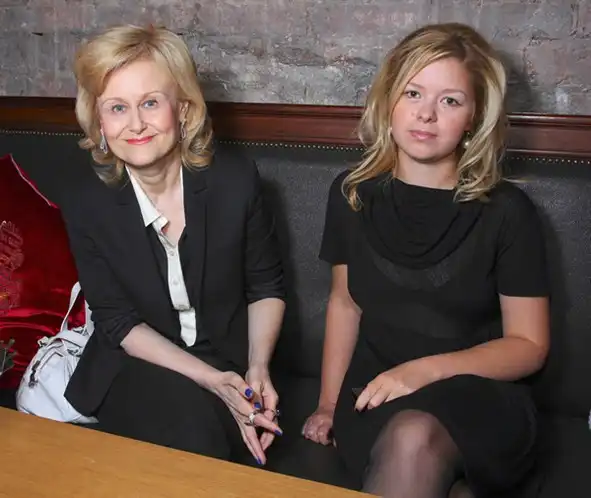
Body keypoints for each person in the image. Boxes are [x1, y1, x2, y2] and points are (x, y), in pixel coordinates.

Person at [302, 22, 550, 498]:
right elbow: (345, 304)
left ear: (474, 117)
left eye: (450, 101)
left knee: (414, 438)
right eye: (413, 93)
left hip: (478, 393)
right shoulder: (351, 194)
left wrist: (424, 371)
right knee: (410, 443)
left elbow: (529, 345)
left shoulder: (506, 212)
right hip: (375, 392)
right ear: (389, 100)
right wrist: (329, 403)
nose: (426, 114)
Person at [58, 24, 286, 467]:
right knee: (191, 424)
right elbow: (118, 322)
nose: (135, 124)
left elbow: (265, 287)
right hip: (135, 365)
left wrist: (256, 369)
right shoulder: (86, 201)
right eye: (117, 108)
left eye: (150, 103)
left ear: (182, 109)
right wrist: (211, 381)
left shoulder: (235, 181)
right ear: (99, 122)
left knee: (213, 431)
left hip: (229, 359)